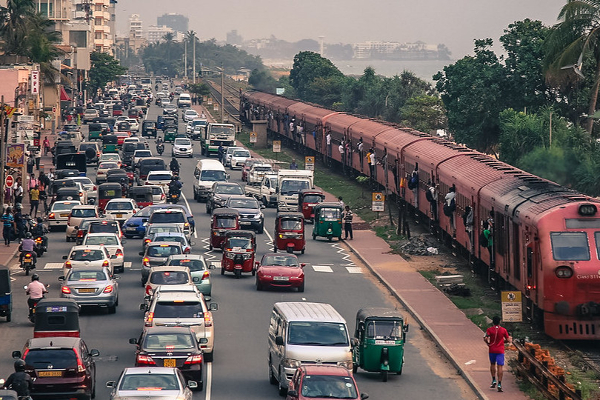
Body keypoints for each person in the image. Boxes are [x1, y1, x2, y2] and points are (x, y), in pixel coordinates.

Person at [484, 316, 511, 392]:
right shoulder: (503, 330)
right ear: (500, 322)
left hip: (492, 350)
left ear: (493, 322)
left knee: (492, 364)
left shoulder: (489, 330)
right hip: (500, 351)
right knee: (500, 367)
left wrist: (488, 343)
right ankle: (499, 384)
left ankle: (493, 380)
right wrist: (503, 342)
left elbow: (486, 338)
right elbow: (508, 340)